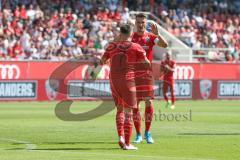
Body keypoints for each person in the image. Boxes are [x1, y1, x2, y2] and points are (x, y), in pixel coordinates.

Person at [101, 24, 150, 150]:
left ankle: (121, 137)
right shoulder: (136, 47)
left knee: (119, 109)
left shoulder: (112, 46)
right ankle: (127, 144)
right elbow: (146, 64)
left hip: (113, 81)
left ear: (120, 32)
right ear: (131, 33)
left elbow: (102, 61)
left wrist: (108, 60)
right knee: (128, 112)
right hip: (128, 80)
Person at [131, 13, 168, 144]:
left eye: (143, 22)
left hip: (147, 74)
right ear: (135, 23)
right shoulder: (131, 38)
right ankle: (138, 134)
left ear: (145, 23)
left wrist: (158, 34)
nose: (141, 24)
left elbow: (165, 45)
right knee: (135, 105)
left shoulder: (151, 37)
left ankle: (148, 132)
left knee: (149, 102)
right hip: (133, 75)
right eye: (139, 22)